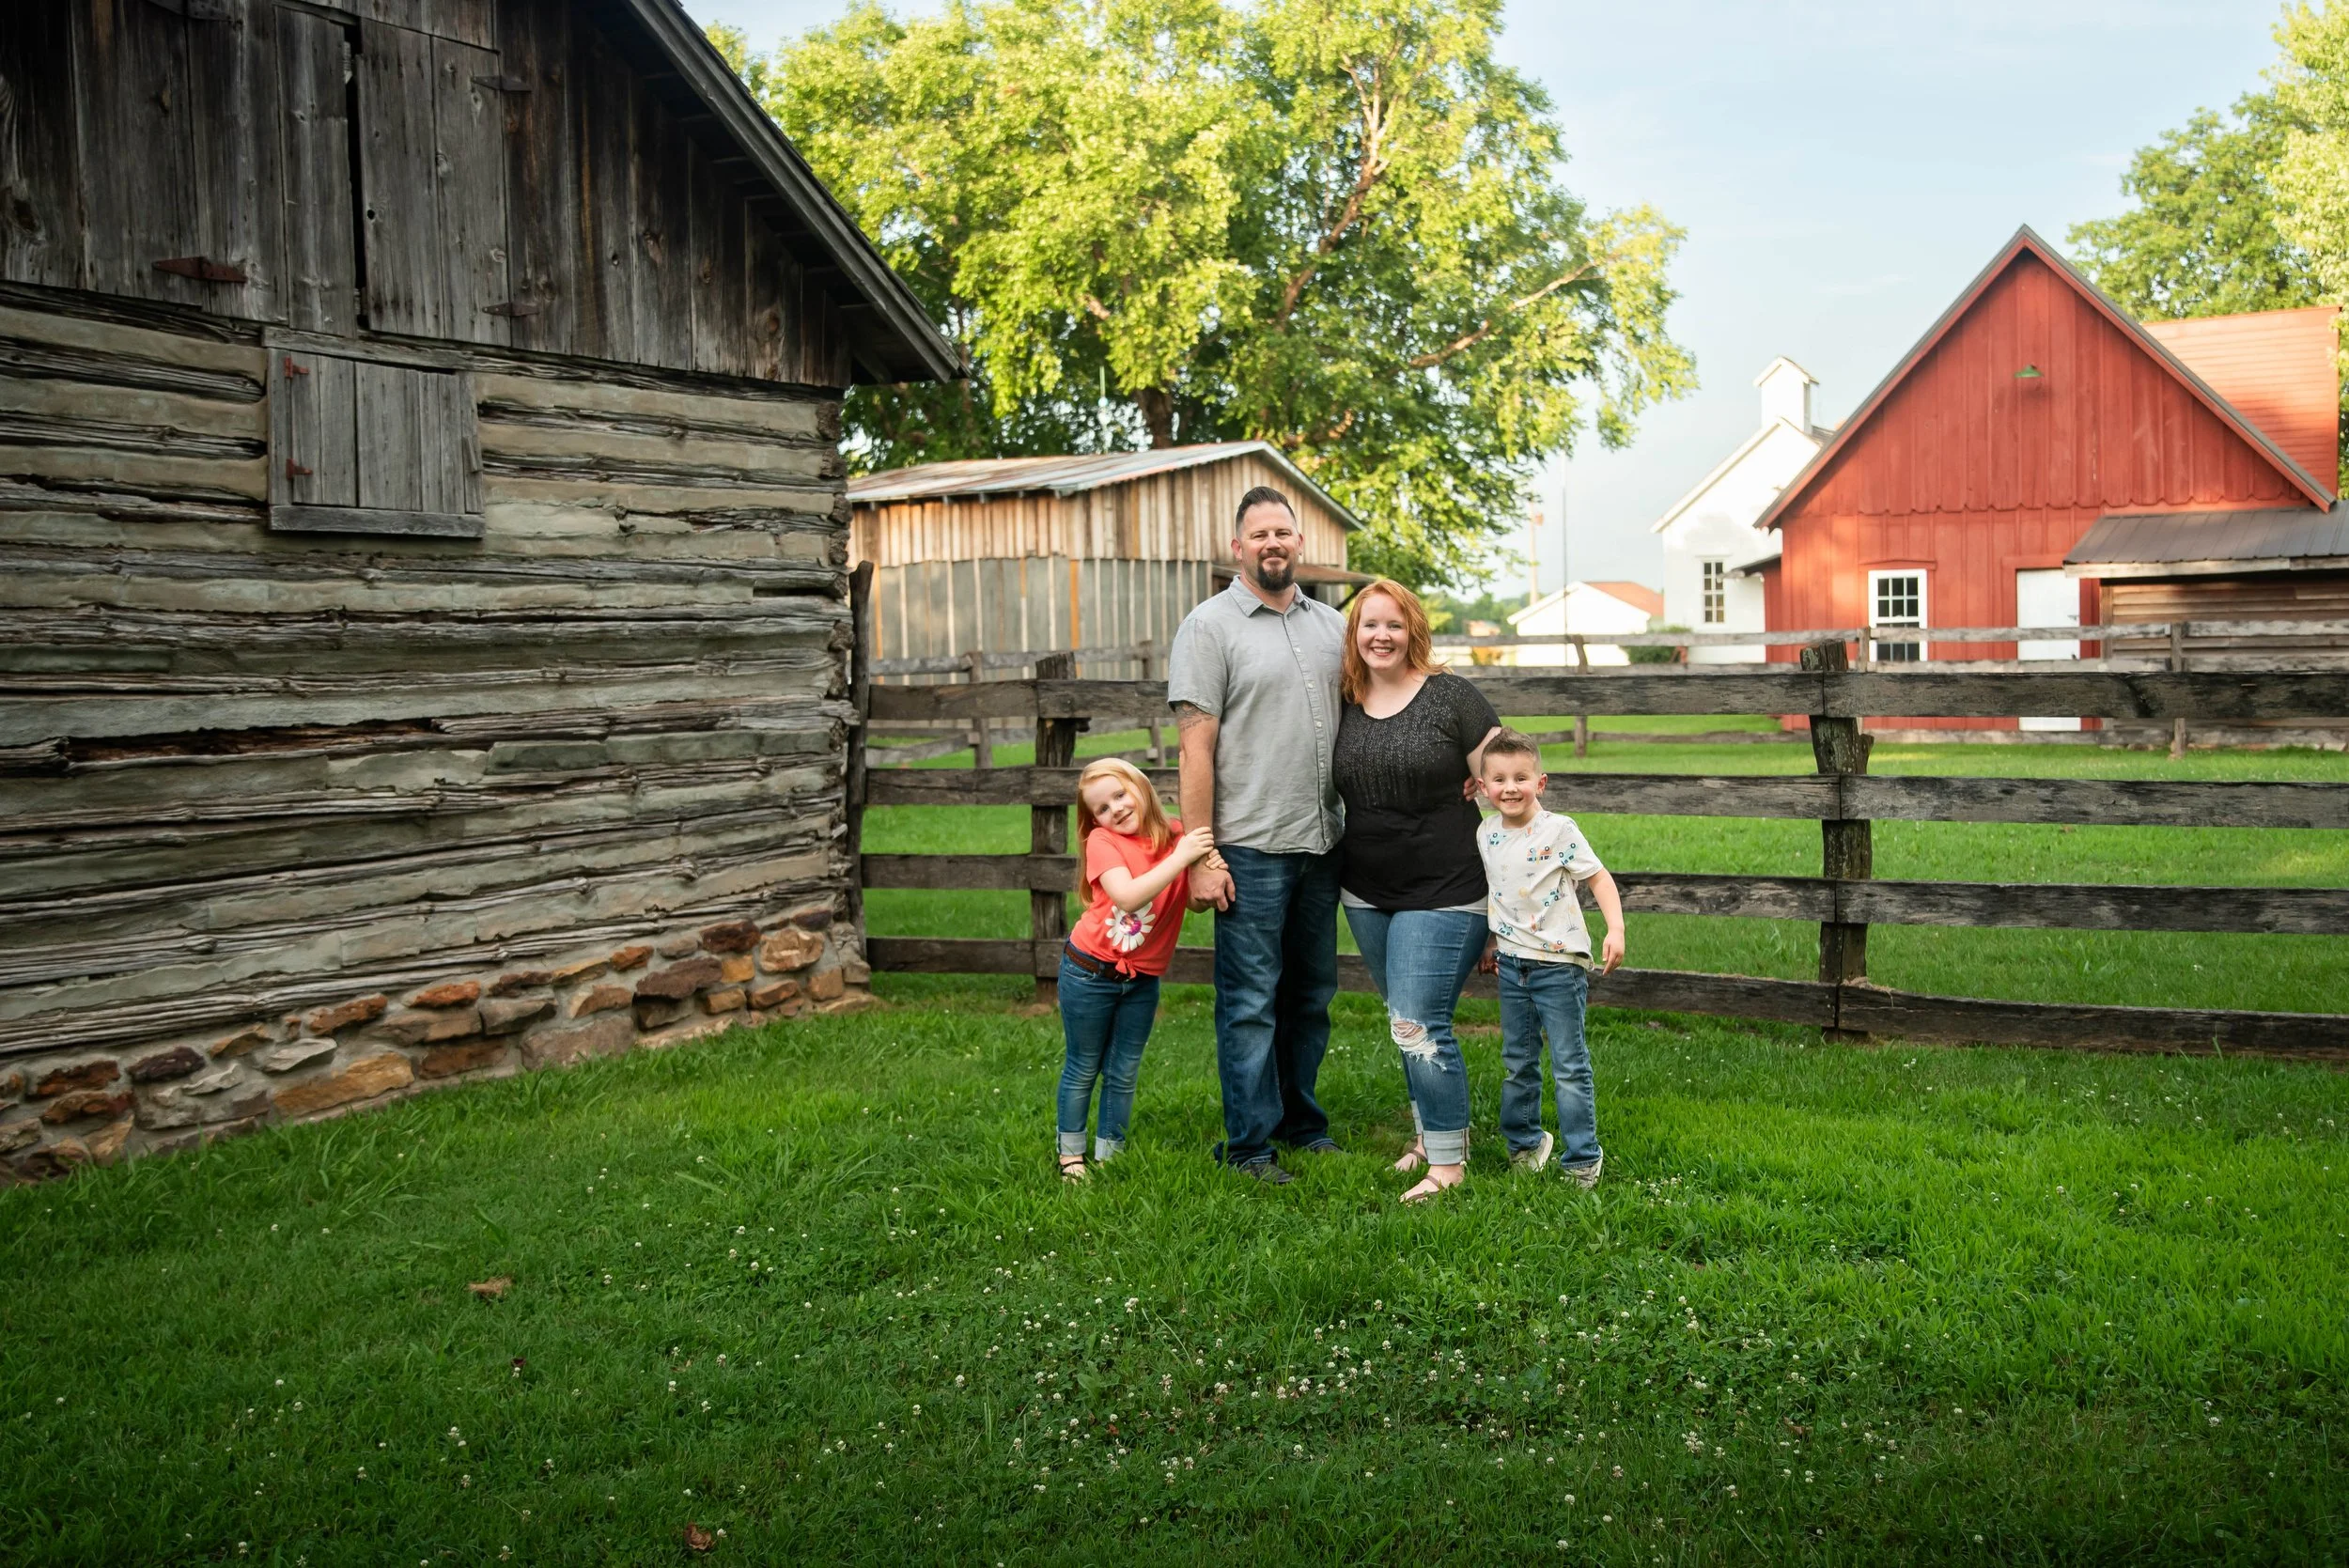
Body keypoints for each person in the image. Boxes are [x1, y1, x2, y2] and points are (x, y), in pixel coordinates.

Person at [1167, 485, 1348, 1185]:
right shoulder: (1209, 627)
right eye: (1259, 534)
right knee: (1248, 1003)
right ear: (1237, 548)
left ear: (1300, 543)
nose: (1273, 543)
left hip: (1323, 842)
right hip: (1248, 848)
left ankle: (1303, 1125)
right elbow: (1194, 750)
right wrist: (1202, 853)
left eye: (1284, 531)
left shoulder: (1330, 626)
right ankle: (1248, 1146)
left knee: (1310, 995)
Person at [1331, 579, 1502, 1203]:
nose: (1381, 635)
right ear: (1354, 634)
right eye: (1369, 624)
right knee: (1403, 1016)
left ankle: (1449, 1164)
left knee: (1416, 1019)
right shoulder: (1344, 699)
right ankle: (1429, 1136)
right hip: (1366, 889)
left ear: (1414, 632)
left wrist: (1505, 915)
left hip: (1449, 885)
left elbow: (1512, 785)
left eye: (1394, 624)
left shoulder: (1452, 697)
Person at [1473, 727, 1626, 1188]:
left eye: (1521, 777)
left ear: (1540, 782)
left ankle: (1582, 1157)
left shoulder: (1559, 829)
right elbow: (1497, 894)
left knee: (1568, 1063)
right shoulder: (1486, 832)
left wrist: (1615, 928)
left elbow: (1599, 878)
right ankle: (1525, 1143)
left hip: (1558, 965)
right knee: (1518, 1059)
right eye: (1499, 779)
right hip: (1512, 964)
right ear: (1483, 788)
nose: (1510, 788)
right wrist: (1490, 942)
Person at [1055, 758, 1216, 1182]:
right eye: (1102, 808)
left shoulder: (1176, 836)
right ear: (1094, 821)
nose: (1116, 810)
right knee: (1084, 1064)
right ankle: (1071, 1156)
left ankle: (1111, 1154)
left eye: (1120, 795)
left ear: (1140, 787)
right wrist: (1181, 857)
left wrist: (1207, 875)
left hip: (1142, 979)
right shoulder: (1103, 843)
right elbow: (1126, 897)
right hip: (1089, 971)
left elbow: (1193, 900)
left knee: (1124, 1069)